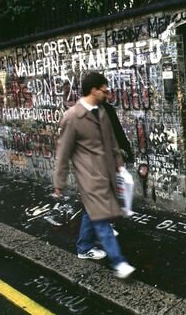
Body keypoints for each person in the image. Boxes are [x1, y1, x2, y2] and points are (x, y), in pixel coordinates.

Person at [53, 71, 135, 279]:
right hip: (89, 177)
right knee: (101, 220)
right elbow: (62, 152)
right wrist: (59, 182)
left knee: (93, 212)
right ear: (94, 90)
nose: (107, 93)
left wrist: (119, 166)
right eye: (104, 90)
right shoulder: (72, 117)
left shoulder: (102, 112)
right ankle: (119, 262)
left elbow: (111, 143)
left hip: (105, 172)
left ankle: (83, 247)